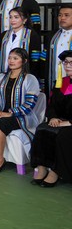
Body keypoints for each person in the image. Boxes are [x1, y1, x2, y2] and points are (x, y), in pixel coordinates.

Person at [0, 47, 42, 172]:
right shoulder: (2, 77)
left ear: (24, 61)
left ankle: (0, 158)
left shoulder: (30, 78)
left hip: (21, 116)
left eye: (15, 58)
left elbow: (30, 103)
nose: (11, 61)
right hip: (1, 113)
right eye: (10, 58)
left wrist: (11, 113)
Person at [30, 50, 72, 187]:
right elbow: (52, 105)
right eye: (66, 62)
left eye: (71, 63)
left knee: (63, 136)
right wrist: (53, 117)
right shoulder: (60, 82)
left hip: (70, 123)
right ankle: (41, 167)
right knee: (42, 129)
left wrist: (69, 123)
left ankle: (55, 171)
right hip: (59, 120)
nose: (68, 65)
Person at [0, 8, 43, 76]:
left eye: (16, 17)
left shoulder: (32, 35)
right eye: (10, 17)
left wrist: (31, 75)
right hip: (4, 73)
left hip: (24, 74)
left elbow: (35, 59)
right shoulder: (4, 35)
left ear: (24, 20)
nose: (12, 20)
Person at [45, 4, 72, 91]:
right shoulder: (52, 36)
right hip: (54, 78)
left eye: (66, 15)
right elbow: (45, 59)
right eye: (60, 15)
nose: (62, 18)